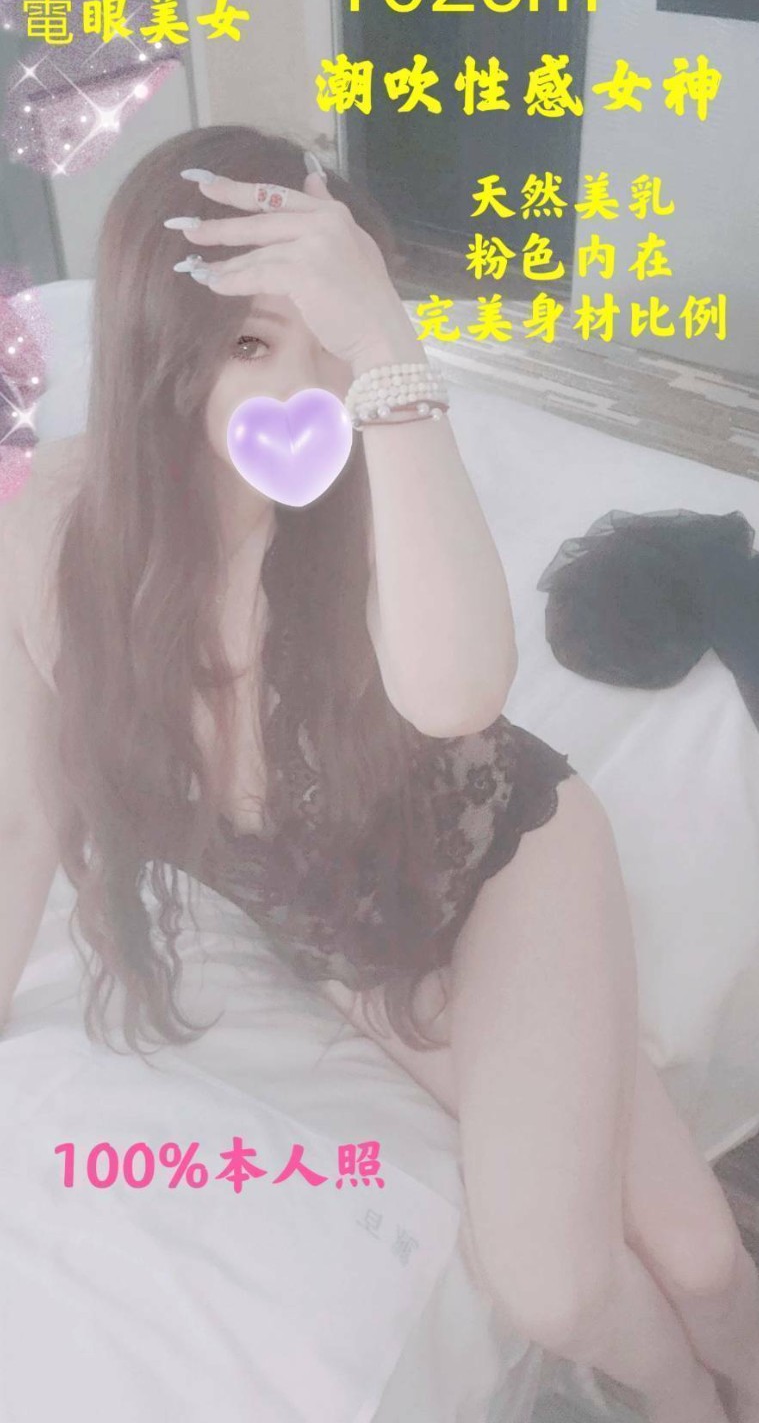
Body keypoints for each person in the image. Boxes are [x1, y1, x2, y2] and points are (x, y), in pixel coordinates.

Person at [1, 123, 758, 1423]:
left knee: (618, 1278)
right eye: (251, 344)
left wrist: (388, 353)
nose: (299, 395)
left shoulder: (362, 502)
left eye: (328, 345)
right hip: (350, 933)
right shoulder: (51, 537)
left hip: (496, 861)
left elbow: (458, 696)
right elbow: (25, 817)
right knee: (633, 1264)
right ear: (159, 350)